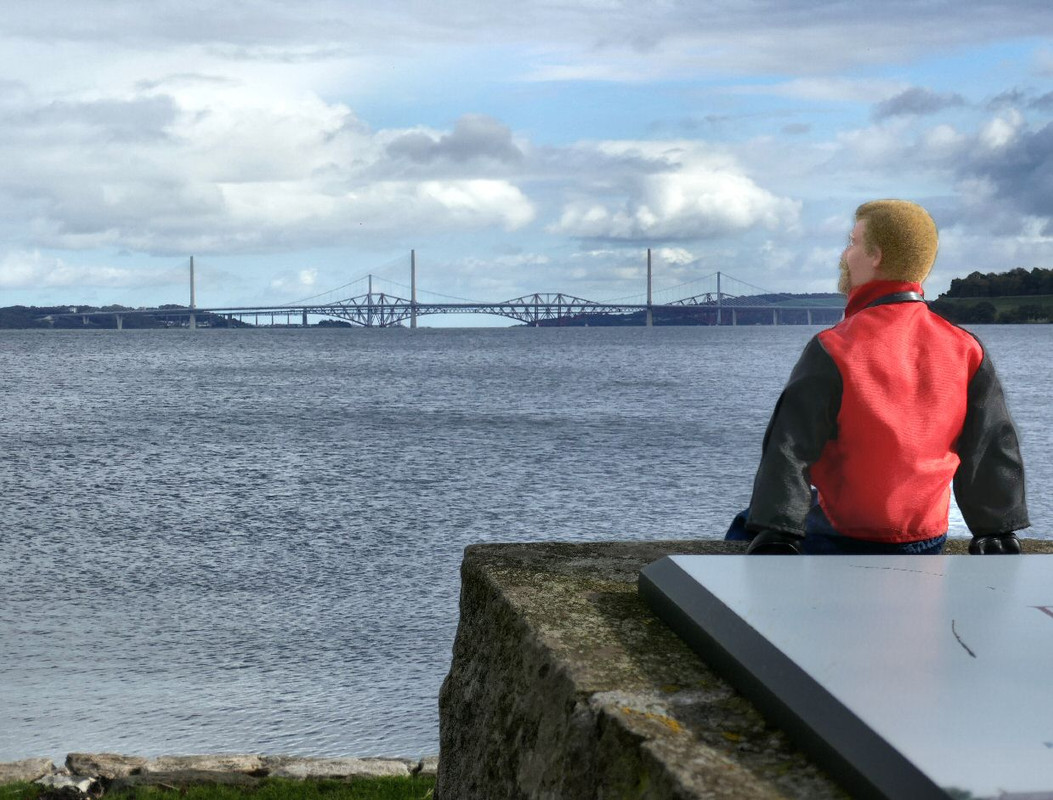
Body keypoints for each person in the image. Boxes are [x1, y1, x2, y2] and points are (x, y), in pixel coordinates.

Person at [726, 199, 1029, 555]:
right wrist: (995, 530)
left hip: (843, 535)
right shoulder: (966, 349)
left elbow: (790, 448)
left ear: (876, 257)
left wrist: (779, 528)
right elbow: (991, 447)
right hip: (925, 538)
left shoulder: (834, 347)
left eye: (852, 242)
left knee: (745, 529)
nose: (844, 255)